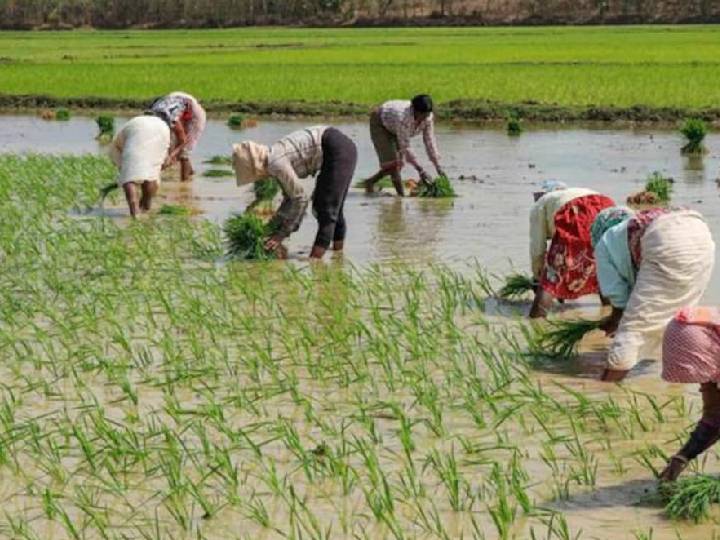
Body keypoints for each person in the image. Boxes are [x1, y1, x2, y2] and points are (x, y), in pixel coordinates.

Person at [591, 207, 715, 382]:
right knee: (681, 318)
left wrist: (615, 319)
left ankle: (607, 388)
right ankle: (678, 384)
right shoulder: (628, 230)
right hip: (701, 234)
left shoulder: (604, 244)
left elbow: (617, 297)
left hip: (666, 237)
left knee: (632, 328)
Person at [232, 125, 357, 259]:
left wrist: (281, 234)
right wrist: (270, 229)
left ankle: (315, 262)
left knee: (326, 208)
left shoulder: (276, 164)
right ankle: (338, 257)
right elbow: (289, 200)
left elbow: (300, 199)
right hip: (336, 148)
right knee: (331, 208)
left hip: (337, 149)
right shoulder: (273, 160)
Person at [528, 180, 615, 318]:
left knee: (551, 277)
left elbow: (537, 248)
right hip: (607, 209)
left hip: (575, 213)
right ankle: (611, 315)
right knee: (601, 269)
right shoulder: (579, 192)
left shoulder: (541, 204)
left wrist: (538, 277)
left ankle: (536, 321)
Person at [659, 306, 720, 482]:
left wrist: (683, 456)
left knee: (715, 412)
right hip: (702, 335)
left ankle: (679, 461)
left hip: (680, 328)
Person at [364, 95, 445, 196]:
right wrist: (421, 171)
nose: (424, 118)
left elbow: (429, 140)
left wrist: (438, 167)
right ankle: (401, 198)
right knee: (394, 164)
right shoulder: (402, 117)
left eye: (427, 115)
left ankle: (370, 182)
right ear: (414, 110)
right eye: (422, 115)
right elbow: (406, 148)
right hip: (380, 123)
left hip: (394, 126)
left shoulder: (428, 118)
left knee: (399, 164)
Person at [109, 115, 171, 218]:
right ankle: (146, 207)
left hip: (135, 136)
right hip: (161, 133)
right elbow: (165, 151)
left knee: (129, 179)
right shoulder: (163, 125)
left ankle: (135, 213)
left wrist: (126, 175)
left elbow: (118, 147)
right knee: (151, 175)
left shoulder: (116, 144)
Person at [148, 92, 206, 182]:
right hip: (180, 106)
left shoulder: (170, 118)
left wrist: (171, 155)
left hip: (195, 114)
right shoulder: (152, 117)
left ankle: (185, 183)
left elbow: (183, 141)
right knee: (175, 147)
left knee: (184, 152)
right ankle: (190, 172)